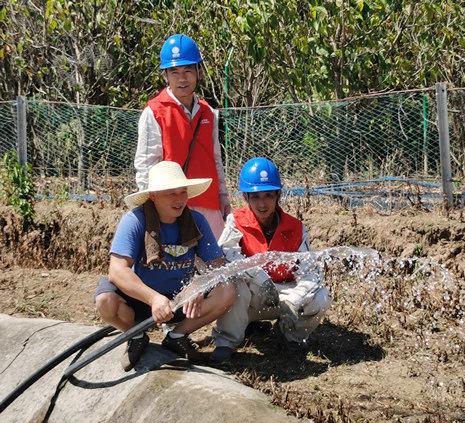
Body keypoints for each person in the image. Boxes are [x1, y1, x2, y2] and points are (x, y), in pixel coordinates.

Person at [94, 160, 236, 371]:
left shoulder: (196, 221)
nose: (179, 200)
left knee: (227, 291)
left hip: (179, 300)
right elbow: (116, 270)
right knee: (105, 302)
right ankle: (135, 334)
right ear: (154, 196)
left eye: (183, 192)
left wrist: (199, 285)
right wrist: (153, 299)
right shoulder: (135, 221)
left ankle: (177, 335)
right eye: (171, 193)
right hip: (139, 301)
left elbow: (219, 267)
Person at [211, 157, 331, 363]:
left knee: (321, 296)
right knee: (233, 283)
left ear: (278, 195)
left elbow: (310, 271)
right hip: (252, 294)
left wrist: (295, 300)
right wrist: (259, 278)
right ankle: (227, 342)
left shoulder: (296, 228)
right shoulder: (235, 221)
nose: (262, 203)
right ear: (246, 197)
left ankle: (291, 336)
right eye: (255, 196)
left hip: (284, 297)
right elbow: (229, 256)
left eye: (268, 195)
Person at [134, 33, 230, 239]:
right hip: (172, 208)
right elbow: (145, 165)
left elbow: (216, 159)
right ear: (165, 75)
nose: (182, 78)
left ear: (199, 72)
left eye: (188, 70)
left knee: (217, 266)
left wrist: (223, 197)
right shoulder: (154, 112)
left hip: (208, 205)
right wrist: (150, 210)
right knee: (175, 268)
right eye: (175, 72)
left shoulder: (209, 113)